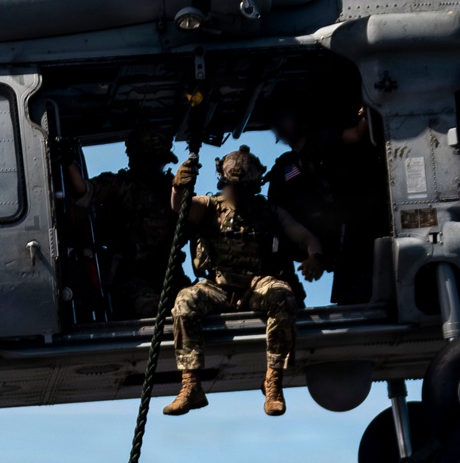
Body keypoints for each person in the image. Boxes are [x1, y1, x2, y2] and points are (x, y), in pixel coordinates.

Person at [163, 147, 317, 419]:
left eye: (242, 188)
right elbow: (181, 207)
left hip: (256, 286)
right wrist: (178, 186)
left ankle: (273, 382)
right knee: (185, 301)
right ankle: (191, 385)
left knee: (283, 296)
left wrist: (314, 256)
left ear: (254, 187)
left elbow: (305, 237)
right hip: (219, 287)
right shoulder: (211, 207)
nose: (235, 192)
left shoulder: (269, 212)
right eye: (230, 186)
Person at [267, 100, 383, 305]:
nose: (280, 126)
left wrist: (368, 110)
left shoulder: (323, 140)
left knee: (359, 294)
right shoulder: (284, 168)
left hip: (354, 233)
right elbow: (275, 212)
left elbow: (357, 134)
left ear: (298, 119)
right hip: (319, 242)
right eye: (277, 123)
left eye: (285, 119)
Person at [65, 127, 186, 319]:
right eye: (151, 161)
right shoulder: (119, 185)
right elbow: (84, 191)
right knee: (155, 310)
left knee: (192, 305)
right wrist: (67, 161)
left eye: (159, 162)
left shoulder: (171, 190)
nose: (157, 167)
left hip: (169, 273)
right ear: (136, 158)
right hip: (131, 278)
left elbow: (193, 218)